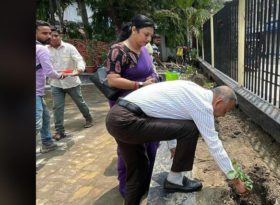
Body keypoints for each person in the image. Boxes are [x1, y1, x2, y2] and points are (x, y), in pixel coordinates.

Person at [106, 80, 248, 205]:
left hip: (116, 116)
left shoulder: (193, 89)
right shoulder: (203, 106)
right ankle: (174, 180)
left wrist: (173, 145)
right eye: (226, 111)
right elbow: (214, 145)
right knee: (191, 129)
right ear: (218, 102)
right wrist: (235, 180)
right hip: (128, 121)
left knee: (139, 169)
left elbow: (168, 113)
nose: (223, 115)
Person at [105, 15, 159, 199]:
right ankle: (129, 188)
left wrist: (154, 79)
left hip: (146, 104)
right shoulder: (118, 50)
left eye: (150, 36)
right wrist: (141, 85)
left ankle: (146, 182)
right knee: (129, 149)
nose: (148, 39)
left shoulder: (144, 50)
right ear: (133, 29)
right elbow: (112, 80)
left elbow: (151, 70)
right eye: (146, 34)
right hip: (125, 108)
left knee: (151, 143)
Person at [47, 28, 94, 140]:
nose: (53, 38)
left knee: (80, 102)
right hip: (56, 83)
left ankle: (89, 118)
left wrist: (80, 69)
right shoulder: (45, 49)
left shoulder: (69, 47)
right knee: (57, 107)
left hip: (72, 82)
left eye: (56, 35)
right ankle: (59, 131)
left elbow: (79, 59)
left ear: (60, 36)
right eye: (51, 36)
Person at [36, 20, 66, 153]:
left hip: (37, 92)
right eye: (44, 33)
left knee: (45, 117)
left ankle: (47, 142)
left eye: (49, 33)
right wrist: (61, 75)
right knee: (36, 123)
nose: (48, 36)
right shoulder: (41, 49)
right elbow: (49, 72)